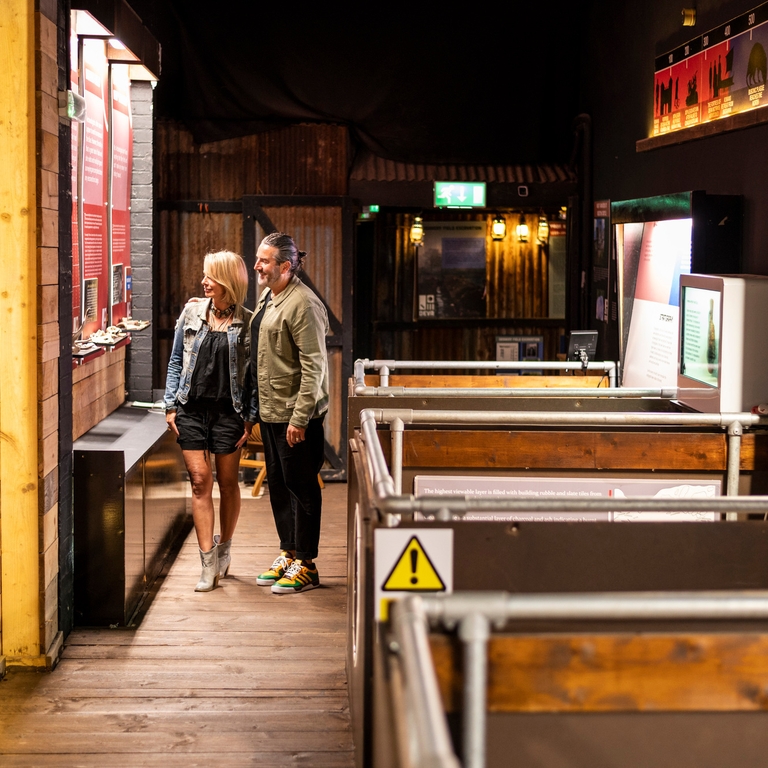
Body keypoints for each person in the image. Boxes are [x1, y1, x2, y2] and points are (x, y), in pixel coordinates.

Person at [245, 232, 329, 594]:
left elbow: (314, 367)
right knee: (279, 485)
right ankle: (289, 551)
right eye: (258, 259)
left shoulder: (303, 304)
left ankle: (307, 564)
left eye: (263, 261)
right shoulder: (270, 295)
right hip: (271, 409)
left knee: (302, 487)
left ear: (285, 266)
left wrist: (300, 418)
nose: (256, 265)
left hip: (296, 415)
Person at [164, 251, 252, 592]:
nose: (204, 282)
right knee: (200, 481)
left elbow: (253, 375)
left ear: (228, 282)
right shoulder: (191, 312)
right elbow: (175, 360)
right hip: (191, 409)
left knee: (228, 483)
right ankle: (207, 563)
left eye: (211, 277)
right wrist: (170, 406)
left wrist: (250, 417)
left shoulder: (247, 321)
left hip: (229, 412)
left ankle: (225, 548)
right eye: (204, 275)